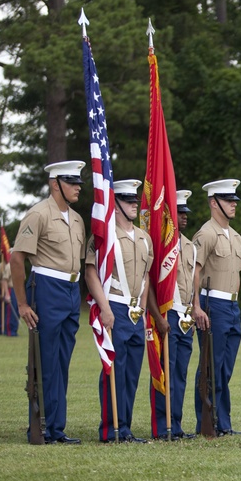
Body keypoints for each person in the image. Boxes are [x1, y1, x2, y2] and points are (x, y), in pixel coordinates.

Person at [11, 160, 86, 444]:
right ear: (56, 184)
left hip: (69, 290)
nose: (78, 187)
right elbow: (17, 258)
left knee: (62, 361)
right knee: (45, 362)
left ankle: (56, 427)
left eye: (78, 182)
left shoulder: (77, 219)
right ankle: (39, 427)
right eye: (72, 182)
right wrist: (22, 303)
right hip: (46, 287)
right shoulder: (38, 214)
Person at [85, 179, 154, 443]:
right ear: (116, 204)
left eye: (135, 201)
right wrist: (104, 308)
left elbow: (146, 278)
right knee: (114, 369)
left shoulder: (144, 238)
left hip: (136, 311)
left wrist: (144, 310)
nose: (134, 206)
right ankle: (110, 429)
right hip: (113, 304)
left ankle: (125, 427)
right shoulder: (105, 235)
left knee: (132, 373)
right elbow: (91, 271)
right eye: (127, 201)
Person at [192, 179, 241, 437]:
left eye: (234, 200)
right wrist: (196, 306)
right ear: (214, 203)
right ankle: (207, 422)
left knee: (225, 367)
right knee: (211, 366)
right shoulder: (207, 234)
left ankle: (223, 423)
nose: (233, 205)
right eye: (228, 200)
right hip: (213, 304)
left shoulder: (235, 236)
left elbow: (238, 274)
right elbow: (194, 271)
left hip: (232, 305)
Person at [147, 189, 197, 439]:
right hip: (168, 316)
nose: (184, 217)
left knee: (180, 374)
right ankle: (161, 425)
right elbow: (152, 285)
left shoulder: (189, 246)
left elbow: (193, 283)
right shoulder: (160, 246)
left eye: (185, 212)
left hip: (185, 318)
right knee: (165, 372)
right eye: (179, 212)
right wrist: (158, 317)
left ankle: (176, 424)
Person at [0, 259, 19, 336]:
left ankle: (13, 330)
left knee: (15, 311)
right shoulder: (7, 266)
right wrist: (0, 294)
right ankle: (7, 331)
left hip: (16, 289)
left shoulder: (17, 265)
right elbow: (2, 280)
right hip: (8, 289)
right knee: (7, 311)